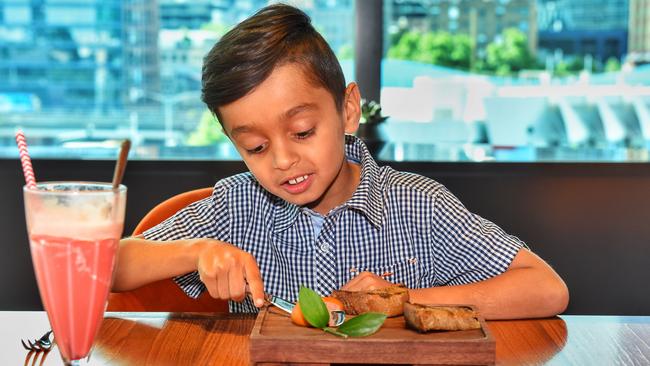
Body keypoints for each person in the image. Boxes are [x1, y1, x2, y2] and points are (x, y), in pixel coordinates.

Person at [112, 4, 568, 319]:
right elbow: (105, 267)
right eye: (255, 147)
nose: (284, 160)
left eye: (303, 132)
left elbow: (546, 288)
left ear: (348, 110)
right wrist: (197, 251)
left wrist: (401, 300)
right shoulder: (236, 208)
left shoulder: (418, 206)